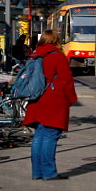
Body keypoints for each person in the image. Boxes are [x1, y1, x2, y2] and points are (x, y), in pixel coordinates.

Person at [21, 29, 78, 180]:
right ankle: (49, 172)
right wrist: (72, 99)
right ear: (56, 40)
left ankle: (37, 172)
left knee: (39, 136)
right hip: (53, 102)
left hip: (36, 99)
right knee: (50, 136)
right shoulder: (57, 57)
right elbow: (66, 80)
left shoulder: (34, 55)